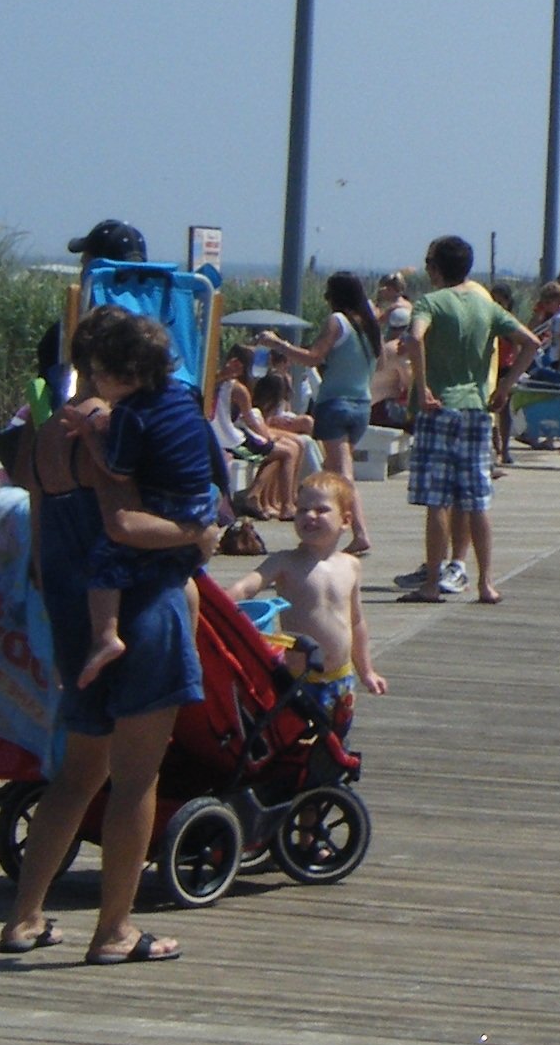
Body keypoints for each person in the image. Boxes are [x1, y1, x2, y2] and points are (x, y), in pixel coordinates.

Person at [0, 307, 221, 966]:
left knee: (78, 771)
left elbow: (41, 552)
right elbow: (125, 520)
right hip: (147, 610)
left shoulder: (44, 439)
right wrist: (194, 536)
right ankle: (115, 929)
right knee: (135, 778)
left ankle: (25, 916)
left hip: (76, 616)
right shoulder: (121, 430)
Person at [68, 315, 227, 690]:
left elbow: (118, 471)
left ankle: (105, 636)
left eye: (100, 374)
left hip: (169, 505)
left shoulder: (129, 414)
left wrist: (91, 436)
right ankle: (188, 648)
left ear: (124, 375)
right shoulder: (181, 394)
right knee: (179, 571)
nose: (97, 383)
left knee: (105, 562)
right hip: (203, 498)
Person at [404, 237, 535, 602]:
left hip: (439, 407)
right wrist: (506, 386)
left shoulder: (430, 302)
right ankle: (485, 584)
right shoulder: (485, 305)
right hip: (477, 410)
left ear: (435, 267)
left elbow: (415, 339)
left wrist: (423, 386)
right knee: (477, 499)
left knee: (437, 500)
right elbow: (531, 343)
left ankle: (432, 582)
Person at [229, 472, 385, 716]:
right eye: (302, 510)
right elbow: (245, 588)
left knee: (335, 742)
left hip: (340, 677)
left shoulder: (351, 565)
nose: (309, 516)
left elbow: (356, 621)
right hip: (298, 678)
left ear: (345, 521)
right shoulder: (284, 562)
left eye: (321, 510)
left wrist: (366, 671)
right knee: (297, 742)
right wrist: (219, 601)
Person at [262, 272, 383, 552]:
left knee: (342, 473)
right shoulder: (369, 326)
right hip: (361, 406)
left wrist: (278, 344)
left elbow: (313, 357)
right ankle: (330, 531)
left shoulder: (337, 322)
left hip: (335, 403)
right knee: (337, 469)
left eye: (328, 294)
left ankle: (360, 532)